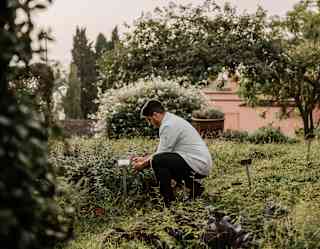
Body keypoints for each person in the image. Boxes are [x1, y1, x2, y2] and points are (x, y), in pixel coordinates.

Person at [132, 99, 213, 206]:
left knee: (158, 161)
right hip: (197, 162)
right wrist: (144, 159)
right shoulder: (171, 120)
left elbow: (159, 156)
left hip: (197, 164)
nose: (150, 123)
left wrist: (141, 165)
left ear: (155, 115)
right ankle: (196, 188)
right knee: (162, 160)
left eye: (149, 119)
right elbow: (163, 151)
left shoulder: (168, 125)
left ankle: (168, 203)